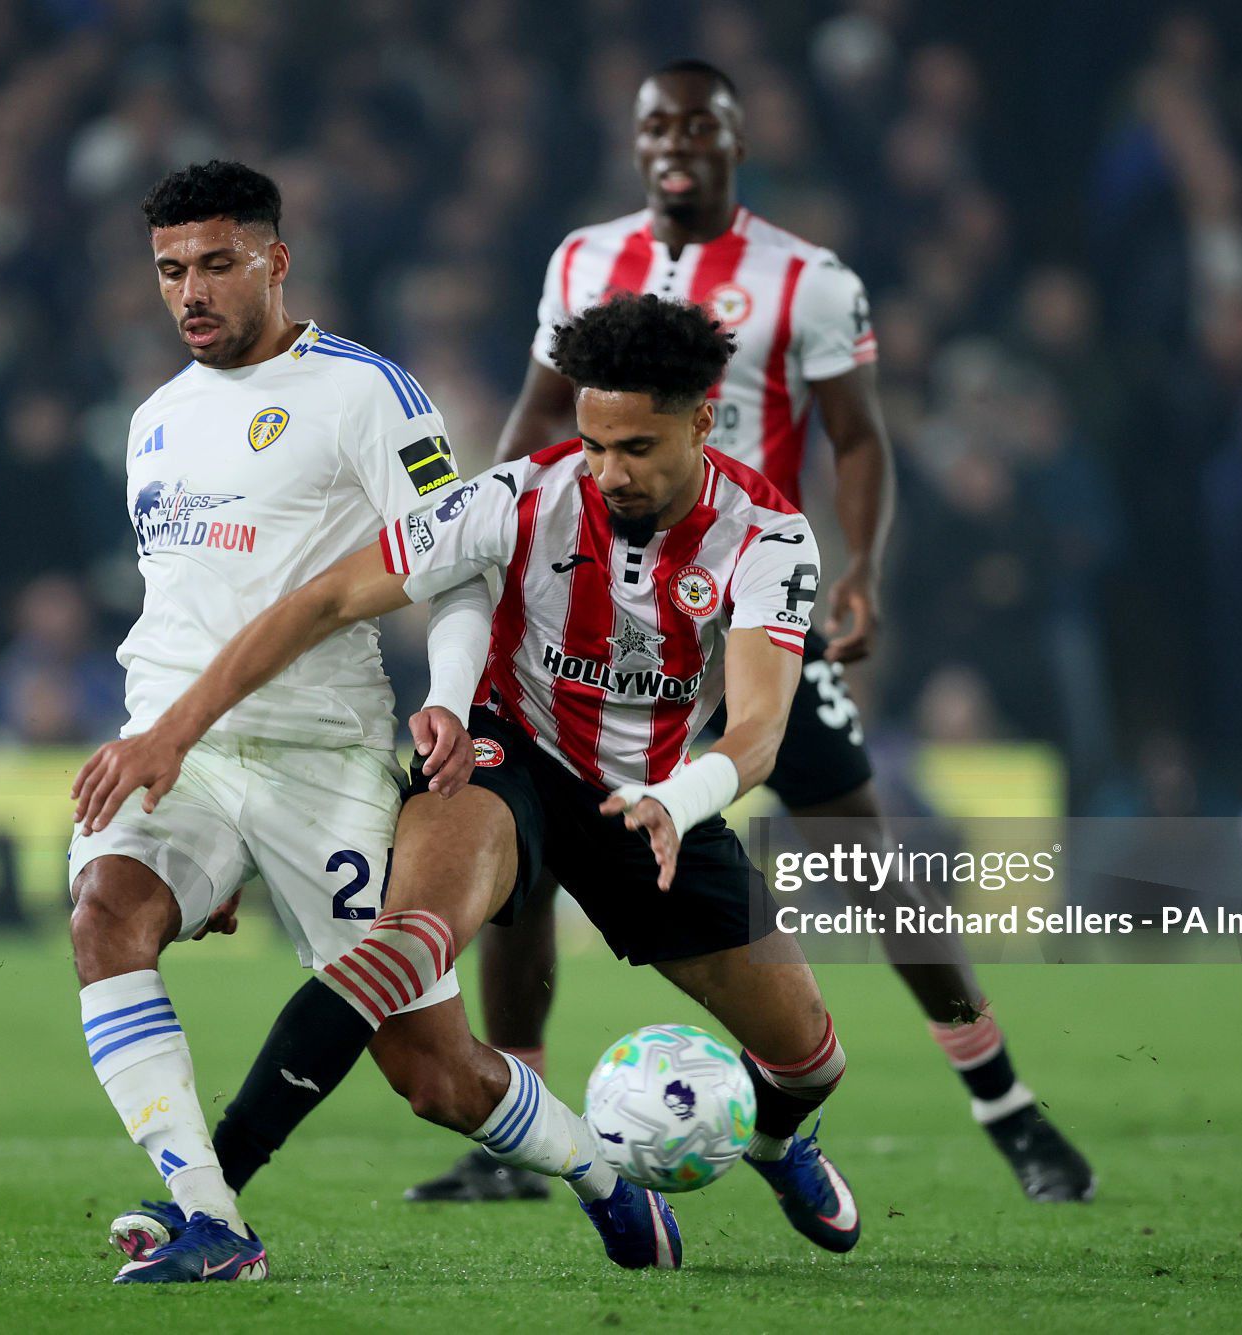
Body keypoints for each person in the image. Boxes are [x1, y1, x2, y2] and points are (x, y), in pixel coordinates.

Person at [414, 57, 1093, 1204]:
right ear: (634, 142)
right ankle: (516, 1138)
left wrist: (863, 568)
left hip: (749, 612)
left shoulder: (808, 280)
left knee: (864, 857)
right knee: (520, 865)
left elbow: (858, 438)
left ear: (737, 139)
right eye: (653, 126)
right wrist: (496, 543)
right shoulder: (581, 259)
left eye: (697, 124)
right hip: (599, 614)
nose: (673, 142)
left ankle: (1002, 1101)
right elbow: (539, 418)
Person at [75, 295, 863, 1272]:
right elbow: (324, 599)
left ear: (701, 421)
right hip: (505, 760)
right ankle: (211, 1200)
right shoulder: (519, 495)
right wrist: (177, 733)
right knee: (400, 948)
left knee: (808, 1058)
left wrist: (680, 800)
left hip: (655, 797)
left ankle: (778, 1145)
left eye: (635, 448)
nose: (607, 471)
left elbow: (756, 729)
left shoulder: (766, 537)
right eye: (593, 442)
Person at [63, 160, 492, 1285]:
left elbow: (454, 575)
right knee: (105, 914)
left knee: (434, 1073)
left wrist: (447, 692)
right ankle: (212, 1222)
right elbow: (181, 611)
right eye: (168, 271)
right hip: (177, 753)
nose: (189, 291)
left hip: (322, 755)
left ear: (274, 259)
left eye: (214, 263)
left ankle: (596, 1172)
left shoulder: (369, 395)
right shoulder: (152, 422)